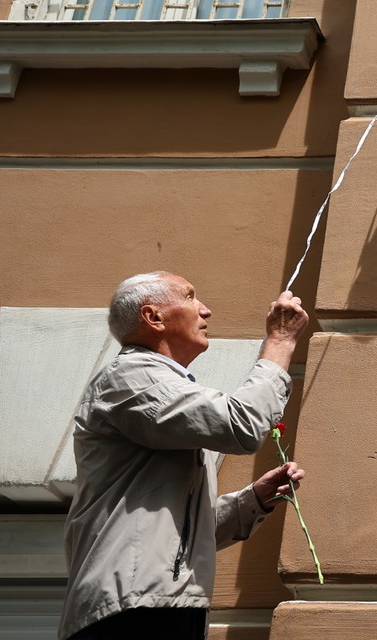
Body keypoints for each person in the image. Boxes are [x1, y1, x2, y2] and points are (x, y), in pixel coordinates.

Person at [59, 271, 311, 640]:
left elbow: (185, 533)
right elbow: (242, 425)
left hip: (158, 604)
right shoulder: (132, 375)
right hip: (133, 607)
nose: (205, 310)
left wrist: (250, 502)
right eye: (191, 298)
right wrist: (281, 341)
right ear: (154, 317)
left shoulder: (154, 386)